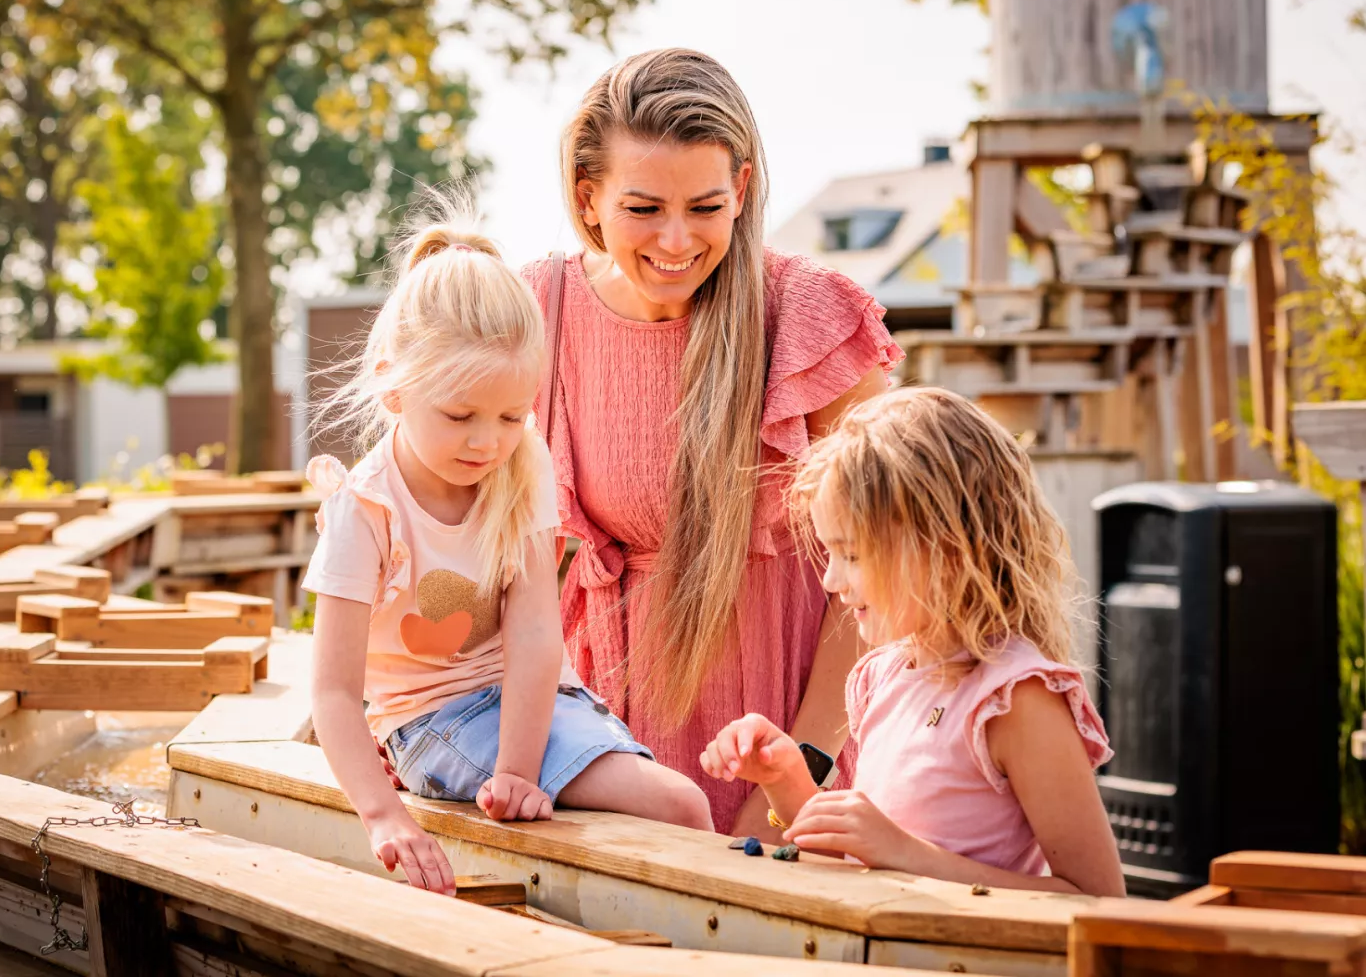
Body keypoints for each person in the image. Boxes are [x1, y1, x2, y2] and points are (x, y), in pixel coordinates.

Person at [523, 48, 902, 834]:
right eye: (642, 208)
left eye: (704, 206)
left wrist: (800, 779)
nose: (675, 239)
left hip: (798, 742)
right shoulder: (537, 310)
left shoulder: (807, 318)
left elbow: (885, 575)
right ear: (588, 198)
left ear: (743, 188)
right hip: (601, 750)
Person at [305, 196, 714, 897]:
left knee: (686, 805)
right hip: (430, 719)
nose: (487, 441)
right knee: (674, 805)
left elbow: (532, 630)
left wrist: (519, 770)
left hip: (534, 699)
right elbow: (334, 692)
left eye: (511, 415)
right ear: (392, 385)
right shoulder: (365, 509)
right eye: (460, 415)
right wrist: (384, 816)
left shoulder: (520, 465)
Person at [700, 388, 1126, 896]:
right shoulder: (881, 678)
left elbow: (1098, 900)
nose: (832, 581)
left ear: (944, 548)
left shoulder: (1015, 700)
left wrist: (906, 854)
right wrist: (787, 777)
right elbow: (862, 860)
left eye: (852, 555)